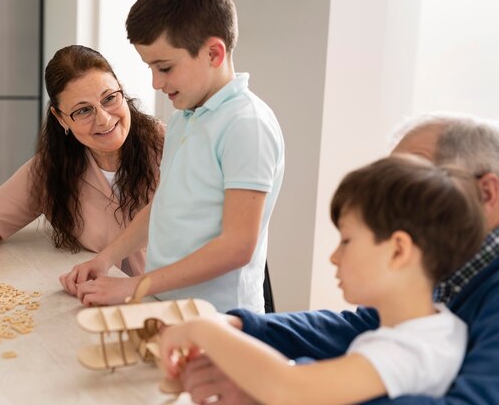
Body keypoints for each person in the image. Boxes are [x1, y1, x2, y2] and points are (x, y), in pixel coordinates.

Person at [180, 113, 499, 404]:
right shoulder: (434, 278)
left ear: (486, 193)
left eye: (417, 183)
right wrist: (240, 325)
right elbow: (361, 326)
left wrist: (273, 390)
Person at [59, 0, 285, 313]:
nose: (154, 82)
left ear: (214, 54)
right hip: (165, 307)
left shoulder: (246, 124)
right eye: (150, 67)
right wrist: (106, 258)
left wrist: (133, 286)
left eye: (164, 67)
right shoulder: (183, 119)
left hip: (220, 320)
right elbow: (162, 205)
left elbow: (237, 247)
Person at [0, 45, 163, 283]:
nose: (104, 119)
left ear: (122, 90)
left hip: (178, 303)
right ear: (60, 118)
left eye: (109, 98)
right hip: (96, 307)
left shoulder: (172, 145)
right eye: (83, 110)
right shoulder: (52, 170)